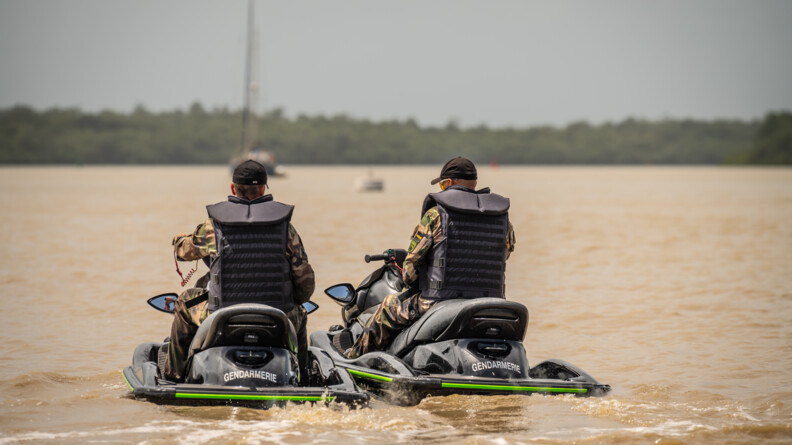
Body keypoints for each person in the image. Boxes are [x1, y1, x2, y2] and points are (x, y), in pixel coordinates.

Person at [345, 157, 516, 358]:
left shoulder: (436, 215)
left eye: (443, 184)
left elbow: (409, 271)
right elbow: (505, 254)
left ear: (451, 183)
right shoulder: (501, 219)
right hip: (490, 302)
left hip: (438, 303)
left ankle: (354, 361)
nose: (442, 189)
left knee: (388, 308)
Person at [161, 160, 315, 382]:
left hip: (220, 312)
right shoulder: (286, 229)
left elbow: (184, 252)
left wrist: (177, 241)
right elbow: (305, 283)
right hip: (278, 314)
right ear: (263, 188)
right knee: (300, 312)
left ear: (233, 188)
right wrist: (294, 299)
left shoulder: (212, 227)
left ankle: (173, 378)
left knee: (184, 302)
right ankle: (302, 379)